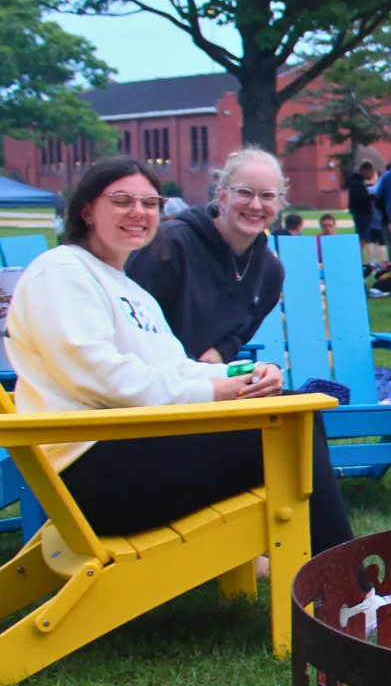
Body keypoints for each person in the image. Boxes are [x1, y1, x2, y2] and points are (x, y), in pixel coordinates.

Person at [7, 156, 354, 555]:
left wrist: (249, 373)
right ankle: (345, 584)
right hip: (91, 476)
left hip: (130, 448)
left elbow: (177, 367)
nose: (138, 212)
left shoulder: (131, 292)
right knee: (291, 426)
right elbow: (103, 377)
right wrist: (215, 394)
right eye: (121, 200)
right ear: (87, 210)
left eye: (150, 203)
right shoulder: (61, 271)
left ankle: (333, 574)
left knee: (294, 411)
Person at [127, 147, 287, 364]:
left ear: (279, 203)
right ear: (221, 196)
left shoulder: (270, 273)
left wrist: (223, 351)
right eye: (244, 193)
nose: (255, 205)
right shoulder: (169, 245)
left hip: (205, 381)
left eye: (267, 196)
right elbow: (129, 323)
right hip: (149, 376)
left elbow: (242, 332)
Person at [346, 160, 377, 263]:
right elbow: (362, 199)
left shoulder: (356, 182)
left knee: (362, 237)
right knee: (362, 238)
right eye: (370, 172)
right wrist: (374, 196)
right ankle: (359, 259)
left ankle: (360, 258)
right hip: (363, 213)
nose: (372, 175)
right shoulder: (357, 184)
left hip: (359, 213)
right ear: (364, 171)